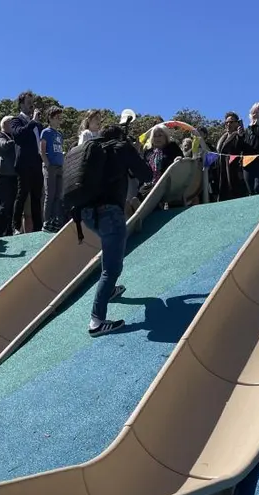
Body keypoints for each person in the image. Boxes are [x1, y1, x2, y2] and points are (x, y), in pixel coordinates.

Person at [72, 124, 152, 337]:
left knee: (110, 254)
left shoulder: (93, 152)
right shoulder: (121, 147)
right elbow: (146, 174)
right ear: (120, 137)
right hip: (109, 213)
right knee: (112, 268)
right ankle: (96, 322)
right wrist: (134, 151)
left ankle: (109, 290)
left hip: (87, 214)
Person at [10, 90, 44, 233]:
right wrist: (32, 122)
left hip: (37, 163)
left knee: (37, 196)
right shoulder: (16, 120)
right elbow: (18, 135)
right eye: (28, 102)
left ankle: (38, 227)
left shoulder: (38, 124)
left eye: (32, 102)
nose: (31, 105)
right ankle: (15, 226)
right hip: (24, 163)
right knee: (22, 194)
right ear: (21, 104)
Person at [40, 106, 65, 232]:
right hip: (50, 167)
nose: (59, 120)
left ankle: (55, 220)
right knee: (49, 194)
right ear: (50, 118)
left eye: (60, 117)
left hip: (60, 167)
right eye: (57, 117)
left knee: (58, 195)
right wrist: (47, 164)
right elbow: (42, 150)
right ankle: (46, 221)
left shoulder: (60, 134)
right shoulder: (46, 132)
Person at [0, 117, 18, 235]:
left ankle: (11, 230)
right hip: (4, 176)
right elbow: (4, 145)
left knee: (14, 205)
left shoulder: (13, 137)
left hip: (15, 175)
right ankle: (2, 232)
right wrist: (18, 138)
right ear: (5, 124)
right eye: (12, 123)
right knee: (5, 206)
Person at [215, 112, 247, 202]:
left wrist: (240, 136)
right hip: (222, 171)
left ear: (237, 123)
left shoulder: (239, 135)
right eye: (227, 122)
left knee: (236, 197)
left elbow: (240, 147)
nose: (229, 124)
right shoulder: (222, 138)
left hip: (235, 171)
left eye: (231, 122)